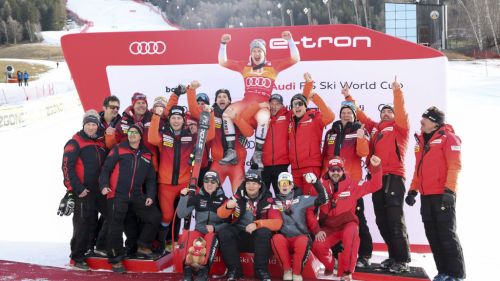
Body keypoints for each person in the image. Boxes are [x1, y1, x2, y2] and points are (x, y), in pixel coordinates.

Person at [345, 78, 411, 273]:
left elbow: (400, 110)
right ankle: (393, 256)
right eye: (383, 112)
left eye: (389, 111)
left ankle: (402, 259)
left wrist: (397, 91)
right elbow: (363, 117)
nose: (386, 113)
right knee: (381, 219)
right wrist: (348, 97)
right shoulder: (375, 129)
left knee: (394, 219)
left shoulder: (400, 128)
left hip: (394, 177)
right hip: (377, 178)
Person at [218, 31, 300, 168]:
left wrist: (290, 41)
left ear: (264, 53)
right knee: (226, 114)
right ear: (251, 53)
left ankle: (258, 153)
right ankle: (231, 151)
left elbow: (295, 59)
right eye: (254, 51)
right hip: (246, 102)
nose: (256, 54)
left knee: (263, 119)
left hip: (263, 104)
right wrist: (223, 44)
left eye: (259, 51)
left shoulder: (273, 66)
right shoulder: (245, 66)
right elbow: (223, 62)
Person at [405, 107, 465, 281]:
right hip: (426, 195)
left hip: (443, 194)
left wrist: (449, 191)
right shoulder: (422, 140)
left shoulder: (449, 138)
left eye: (425, 119)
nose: (421, 122)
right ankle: (443, 272)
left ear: (435, 123)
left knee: (446, 234)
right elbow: (419, 169)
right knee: (433, 234)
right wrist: (412, 190)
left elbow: (455, 166)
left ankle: (456, 274)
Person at [148, 101, 215, 253]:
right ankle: (161, 242)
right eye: (173, 118)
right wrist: (157, 115)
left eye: (179, 118)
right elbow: (152, 138)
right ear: (169, 119)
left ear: (183, 120)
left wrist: (210, 114)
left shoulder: (191, 135)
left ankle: (188, 241)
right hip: (166, 184)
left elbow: (209, 136)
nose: (176, 121)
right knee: (167, 216)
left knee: (188, 211)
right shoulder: (164, 135)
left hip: (185, 183)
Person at [307, 156, 382, 281]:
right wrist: (316, 229)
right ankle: (332, 265)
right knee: (317, 245)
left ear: (342, 170)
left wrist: (376, 168)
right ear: (328, 171)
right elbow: (309, 210)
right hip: (329, 227)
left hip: (347, 224)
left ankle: (347, 272)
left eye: (338, 170)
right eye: (332, 170)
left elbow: (375, 185)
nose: (335, 172)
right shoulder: (318, 187)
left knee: (351, 233)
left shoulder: (353, 185)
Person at [99, 123, 161, 273]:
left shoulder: (147, 155)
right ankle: (116, 259)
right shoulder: (119, 149)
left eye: (135, 132)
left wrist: (150, 196)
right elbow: (106, 169)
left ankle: (143, 245)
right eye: (130, 132)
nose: (132, 134)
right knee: (116, 225)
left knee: (154, 217)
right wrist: (104, 185)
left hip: (136, 195)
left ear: (141, 136)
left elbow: (151, 180)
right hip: (117, 194)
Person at [321, 89, 373, 268]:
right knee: (333, 220)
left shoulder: (359, 130)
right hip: (332, 184)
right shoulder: (331, 132)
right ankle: (337, 255)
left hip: (351, 185)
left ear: (353, 115)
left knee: (357, 217)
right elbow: (325, 158)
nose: (346, 115)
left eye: (349, 113)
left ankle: (365, 255)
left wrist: (360, 139)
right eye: (343, 112)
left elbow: (363, 153)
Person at [217, 169, 282, 281]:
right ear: (244, 184)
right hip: (240, 237)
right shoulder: (237, 197)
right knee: (224, 232)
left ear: (260, 185)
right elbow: (220, 214)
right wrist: (228, 207)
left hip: (259, 240)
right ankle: (234, 270)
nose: (251, 186)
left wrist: (258, 224)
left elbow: (278, 223)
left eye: (254, 183)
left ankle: (261, 271)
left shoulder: (269, 200)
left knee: (264, 232)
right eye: (248, 183)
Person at [61, 110, 107, 270]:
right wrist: (76, 189)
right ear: (84, 125)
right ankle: (76, 257)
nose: (91, 127)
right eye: (88, 124)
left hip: (99, 191)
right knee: (82, 224)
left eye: (94, 124)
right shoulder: (75, 142)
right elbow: (67, 168)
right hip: (83, 191)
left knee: (112, 215)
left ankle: (96, 246)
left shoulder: (100, 143)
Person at [271, 171, 328, 281]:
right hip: (284, 238)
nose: (284, 186)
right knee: (276, 238)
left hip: (300, 237)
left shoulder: (301, 199)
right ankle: (287, 271)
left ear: (292, 185)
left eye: (287, 183)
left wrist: (316, 182)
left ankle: (297, 273)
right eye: (281, 183)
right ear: (277, 186)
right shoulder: (274, 202)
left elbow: (324, 199)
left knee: (303, 240)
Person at [177, 170, 229, 281]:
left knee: (210, 237)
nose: (209, 184)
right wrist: (183, 197)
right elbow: (181, 214)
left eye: (213, 182)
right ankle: (187, 271)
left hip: (213, 232)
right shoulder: (197, 198)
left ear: (218, 184)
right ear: (203, 183)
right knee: (191, 235)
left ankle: (203, 273)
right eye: (206, 181)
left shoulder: (224, 200)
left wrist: (215, 228)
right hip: (199, 231)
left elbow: (229, 223)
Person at [289, 73, 335, 195]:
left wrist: (314, 96)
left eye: (300, 104)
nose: (297, 107)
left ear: (306, 106)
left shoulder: (314, 117)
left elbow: (330, 116)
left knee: (311, 203)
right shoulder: (291, 121)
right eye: (294, 105)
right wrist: (308, 85)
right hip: (295, 169)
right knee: (297, 204)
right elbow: (302, 97)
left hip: (311, 167)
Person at [201, 88, 254, 193]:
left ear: (229, 100)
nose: (222, 99)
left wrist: (236, 118)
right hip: (219, 162)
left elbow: (249, 132)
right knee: (208, 193)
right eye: (219, 97)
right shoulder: (211, 113)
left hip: (236, 163)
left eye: (224, 97)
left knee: (239, 195)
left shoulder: (237, 111)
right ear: (215, 100)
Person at [260, 93, 290, 196]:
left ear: (282, 106)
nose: (274, 106)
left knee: (282, 197)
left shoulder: (287, 116)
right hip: (264, 165)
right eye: (271, 103)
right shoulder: (261, 117)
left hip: (281, 165)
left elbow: (302, 104)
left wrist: (308, 84)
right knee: (262, 197)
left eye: (277, 104)